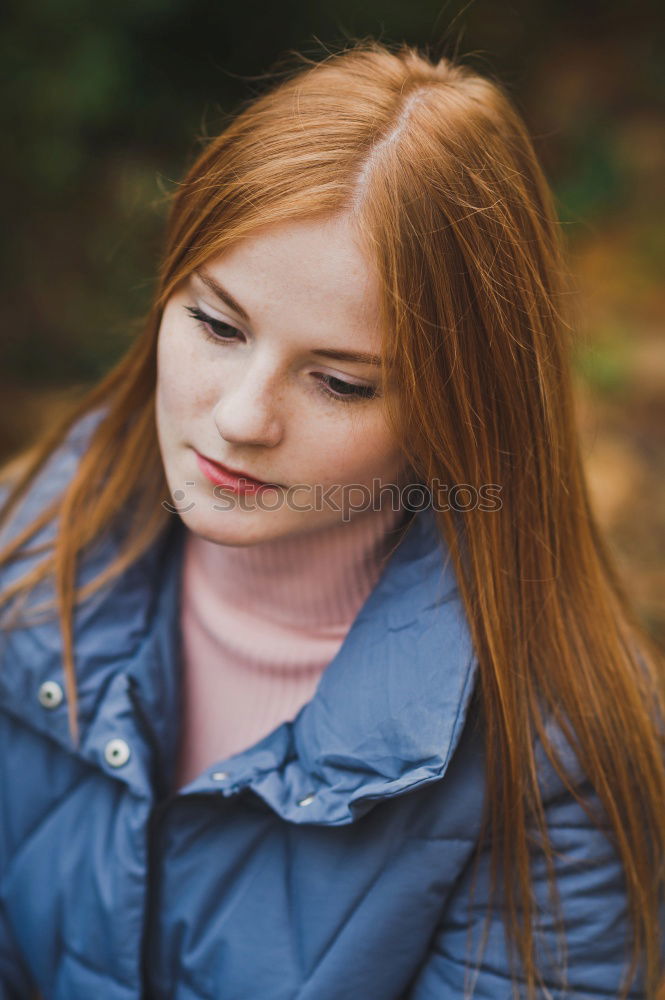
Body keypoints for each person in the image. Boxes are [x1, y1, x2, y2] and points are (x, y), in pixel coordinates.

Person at [0, 38, 663, 1000]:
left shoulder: (556, 758)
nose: (239, 419)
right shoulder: (20, 548)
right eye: (218, 326)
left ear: (461, 408)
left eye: (341, 382)